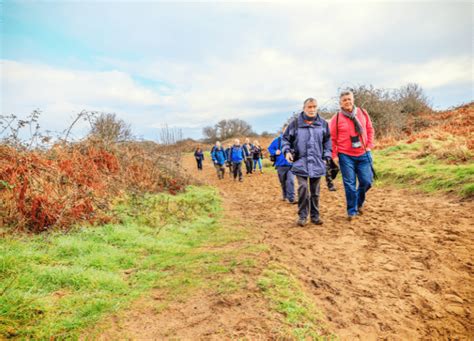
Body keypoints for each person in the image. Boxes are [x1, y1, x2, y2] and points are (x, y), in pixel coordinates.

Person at [281, 98, 332, 227]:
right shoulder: (294, 124)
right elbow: (285, 139)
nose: (312, 109)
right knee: (303, 188)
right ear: (304, 108)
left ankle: (315, 216)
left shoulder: (323, 124)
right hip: (300, 162)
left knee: (315, 191)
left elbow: (327, 141)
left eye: (314, 106)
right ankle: (303, 216)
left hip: (317, 162)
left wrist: (327, 156)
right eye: (309, 107)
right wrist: (287, 151)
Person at [330, 90, 374, 221]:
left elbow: (370, 129)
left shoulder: (363, 112)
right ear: (340, 103)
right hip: (345, 155)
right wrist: (334, 155)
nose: (347, 102)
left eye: (349, 99)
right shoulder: (336, 118)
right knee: (349, 184)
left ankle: (358, 203)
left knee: (367, 182)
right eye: (344, 100)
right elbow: (332, 138)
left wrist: (369, 145)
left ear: (353, 99)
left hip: (364, 153)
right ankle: (352, 211)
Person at [268, 124, 296, 204]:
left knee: (290, 180)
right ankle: (285, 194)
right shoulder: (277, 140)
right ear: (283, 130)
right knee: (283, 182)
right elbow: (270, 148)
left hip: (291, 164)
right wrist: (275, 152)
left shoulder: (293, 140)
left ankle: (291, 198)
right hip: (280, 165)